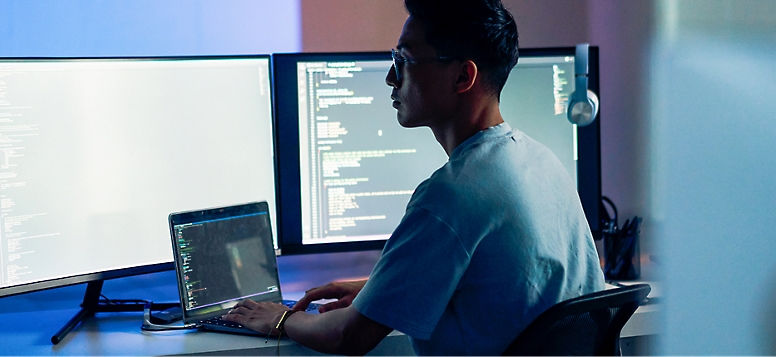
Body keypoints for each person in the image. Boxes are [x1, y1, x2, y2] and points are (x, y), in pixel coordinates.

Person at [222, 0, 606, 354]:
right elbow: (506, 285)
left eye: (404, 60)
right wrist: (380, 292)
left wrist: (281, 318)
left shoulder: (451, 195)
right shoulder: (543, 161)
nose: (391, 77)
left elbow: (348, 336)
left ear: (462, 77)